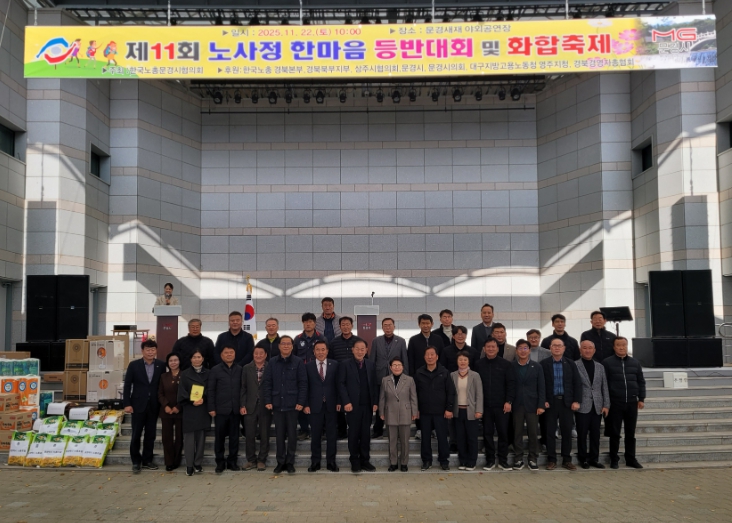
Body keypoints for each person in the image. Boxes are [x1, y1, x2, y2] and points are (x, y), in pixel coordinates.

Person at [261, 336, 307, 474]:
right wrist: (268, 400)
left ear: (292, 346)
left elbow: (303, 384)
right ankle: (280, 462)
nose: (286, 346)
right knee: (279, 435)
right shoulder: (272, 362)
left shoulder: (298, 362)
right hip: (277, 404)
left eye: (288, 344)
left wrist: (301, 402)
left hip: (293, 405)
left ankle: (290, 462)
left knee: (292, 435)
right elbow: (267, 383)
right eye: (283, 343)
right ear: (279, 346)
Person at [603, 336, 646, 469]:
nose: (621, 347)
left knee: (630, 433)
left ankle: (630, 459)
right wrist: (606, 403)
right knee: (615, 433)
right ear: (614, 347)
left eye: (624, 345)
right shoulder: (607, 363)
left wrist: (641, 398)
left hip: (632, 402)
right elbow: (604, 384)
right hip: (615, 403)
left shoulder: (635, 362)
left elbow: (641, 381)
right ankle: (614, 459)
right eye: (618, 345)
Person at [123, 339, 166, 473]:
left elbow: (162, 385)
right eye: (148, 349)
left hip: (154, 405)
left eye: (153, 349)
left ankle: (147, 460)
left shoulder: (161, 365)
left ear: (156, 351)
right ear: (142, 351)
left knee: (151, 434)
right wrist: (127, 403)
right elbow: (127, 385)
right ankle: (136, 461)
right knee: (136, 434)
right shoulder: (134, 365)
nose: (150, 352)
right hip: (137, 404)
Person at [541, 338, 582, 471]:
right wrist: (543, 400)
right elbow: (541, 384)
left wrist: (576, 400)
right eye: (554, 346)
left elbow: (577, 383)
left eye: (559, 346)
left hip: (566, 403)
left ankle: (566, 460)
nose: (557, 348)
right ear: (550, 348)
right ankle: (551, 460)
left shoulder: (570, 364)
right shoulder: (544, 364)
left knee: (566, 432)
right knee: (550, 432)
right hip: (550, 403)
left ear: (564, 348)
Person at [337, 339, 378, 473]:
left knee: (365, 434)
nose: (360, 351)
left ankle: (365, 460)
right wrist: (346, 402)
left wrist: (375, 402)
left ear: (366, 350)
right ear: (352, 350)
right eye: (357, 349)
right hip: (352, 406)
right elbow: (341, 384)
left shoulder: (370, 365)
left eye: (362, 349)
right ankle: (354, 460)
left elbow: (374, 385)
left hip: (367, 405)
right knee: (354, 434)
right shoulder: (345, 364)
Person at [475, 337, 516, 471]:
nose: (491, 349)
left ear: (498, 349)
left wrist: (508, 401)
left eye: (493, 347)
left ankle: (503, 460)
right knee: (487, 433)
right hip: (485, 405)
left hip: (502, 405)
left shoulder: (506, 364)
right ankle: (490, 460)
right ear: (484, 349)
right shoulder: (478, 364)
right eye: (488, 347)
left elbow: (511, 384)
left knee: (503, 433)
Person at [414, 346, 456, 471]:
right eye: (427, 354)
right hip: (424, 411)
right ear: (424, 357)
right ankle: (427, 461)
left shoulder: (444, 372)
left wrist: (449, 408)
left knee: (442, 437)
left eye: (432, 354)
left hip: (441, 412)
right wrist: (416, 409)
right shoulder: (419, 373)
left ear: (437, 357)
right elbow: (414, 393)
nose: (430, 357)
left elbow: (451, 392)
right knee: (425, 438)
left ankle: (444, 460)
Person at [304, 340, 340, 472]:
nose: (320, 352)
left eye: (323, 349)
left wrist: (339, 402)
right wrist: (305, 404)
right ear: (314, 352)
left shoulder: (335, 365)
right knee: (315, 435)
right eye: (318, 350)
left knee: (332, 435)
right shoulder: (307, 366)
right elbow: (305, 386)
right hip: (314, 405)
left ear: (327, 351)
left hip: (331, 405)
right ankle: (315, 462)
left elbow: (339, 384)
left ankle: (331, 462)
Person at [370, 317, 408, 439]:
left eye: (390, 325)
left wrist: (405, 376)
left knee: (395, 401)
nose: (388, 327)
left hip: (396, 375)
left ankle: (396, 428)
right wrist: (371, 376)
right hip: (379, 375)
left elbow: (404, 359)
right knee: (380, 402)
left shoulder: (401, 341)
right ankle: (378, 429)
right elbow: (372, 359)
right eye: (385, 325)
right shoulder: (376, 341)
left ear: (394, 326)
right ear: (382, 327)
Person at [575, 340, 610, 469]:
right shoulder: (575, 365)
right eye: (585, 348)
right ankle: (583, 459)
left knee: (596, 434)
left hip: (597, 405)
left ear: (594, 350)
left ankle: (594, 459)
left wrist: (606, 404)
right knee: (582, 434)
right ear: (580, 350)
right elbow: (573, 385)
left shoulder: (600, 367)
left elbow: (604, 386)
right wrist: (575, 401)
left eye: (590, 348)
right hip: (582, 405)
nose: (587, 350)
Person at [379, 356, 418, 472]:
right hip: (390, 412)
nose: (397, 367)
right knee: (392, 440)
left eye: (399, 365)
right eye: (394, 365)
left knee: (405, 441)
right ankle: (393, 463)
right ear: (390, 367)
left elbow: (413, 397)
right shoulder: (385, 380)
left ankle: (404, 463)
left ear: (403, 367)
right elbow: (382, 398)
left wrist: (414, 411)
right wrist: (381, 411)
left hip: (405, 412)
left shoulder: (409, 380)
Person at [208, 346, 243, 473]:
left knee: (234, 438)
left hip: (235, 410)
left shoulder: (240, 369)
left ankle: (232, 462)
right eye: (226, 353)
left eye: (231, 352)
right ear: (221, 355)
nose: (229, 354)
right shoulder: (215, 370)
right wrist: (211, 407)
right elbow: (210, 390)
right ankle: (220, 462)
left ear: (235, 354)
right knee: (219, 438)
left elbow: (243, 389)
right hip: (220, 410)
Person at [512, 339, 545, 471]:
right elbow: (509, 385)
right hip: (517, 404)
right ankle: (518, 459)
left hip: (533, 405)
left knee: (533, 433)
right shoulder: (512, 366)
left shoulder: (537, 366)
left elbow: (541, 387)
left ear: (529, 350)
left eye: (525, 348)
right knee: (517, 433)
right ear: (516, 351)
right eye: (520, 348)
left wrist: (541, 404)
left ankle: (533, 458)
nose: (523, 351)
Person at [293, 312, 327, 440]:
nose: (308, 324)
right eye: (306, 322)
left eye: (311, 322)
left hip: (317, 374)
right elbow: (294, 357)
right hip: (301, 374)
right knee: (302, 399)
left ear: (315, 323)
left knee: (319, 401)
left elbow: (326, 355)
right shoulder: (297, 339)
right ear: (303, 323)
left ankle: (321, 429)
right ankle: (304, 429)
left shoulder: (321, 338)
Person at [178, 349, 211, 476]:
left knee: (201, 439)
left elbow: (211, 389)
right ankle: (189, 465)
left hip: (203, 408)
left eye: (199, 357)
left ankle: (198, 463)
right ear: (191, 359)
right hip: (190, 409)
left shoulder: (209, 373)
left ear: (203, 358)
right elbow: (182, 391)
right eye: (194, 357)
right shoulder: (185, 374)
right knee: (189, 439)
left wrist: (204, 398)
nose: (197, 359)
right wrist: (191, 401)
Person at [450, 351, 483, 471]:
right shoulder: (452, 375)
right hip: (458, 411)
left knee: (472, 438)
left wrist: (479, 410)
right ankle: (462, 460)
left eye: (465, 359)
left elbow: (479, 394)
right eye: (460, 360)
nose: (462, 362)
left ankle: (472, 461)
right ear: (457, 361)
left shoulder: (475, 375)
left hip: (471, 411)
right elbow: (450, 394)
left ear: (468, 361)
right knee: (460, 437)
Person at [240, 346, 271, 471]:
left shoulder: (271, 367)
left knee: (265, 434)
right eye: (256, 353)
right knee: (249, 434)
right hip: (249, 406)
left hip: (265, 405)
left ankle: (262, 460)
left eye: (261, 353)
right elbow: (243, 388)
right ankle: (251, 460)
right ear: (253, 354)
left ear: (265, 355)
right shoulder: (246, 368)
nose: (258, 355)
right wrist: (242, 405)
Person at [157, 352, 183, 471]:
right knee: (166, 437)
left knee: (179, 437)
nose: (173, 363)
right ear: (168, 363)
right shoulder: (163, 376)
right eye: (171, 361)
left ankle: (176, 461)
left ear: (179, 361)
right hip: (166, 411)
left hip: (180, 411)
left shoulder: (185, 375)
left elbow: (186, 393)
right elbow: (160, 393)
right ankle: (169, 462)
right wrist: (166, 405)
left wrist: (178, 406)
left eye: (175, 360)